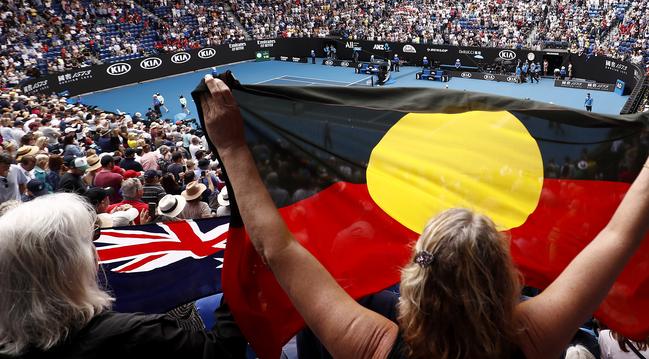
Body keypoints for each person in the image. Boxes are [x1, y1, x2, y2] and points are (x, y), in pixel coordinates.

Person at [199, 74, 649, 359]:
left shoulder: (374, 345)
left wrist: (232, 145)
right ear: (510, 279)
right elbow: (617, 236)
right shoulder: (535, 338)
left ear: (414, 280)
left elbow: (277, 248)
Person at [0, 193, 245, 358]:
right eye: (90, 240)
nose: (96, 250)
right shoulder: (135, 334)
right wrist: (238, 276)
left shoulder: (8, 343)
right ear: (70, 263)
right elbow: (222, 351)